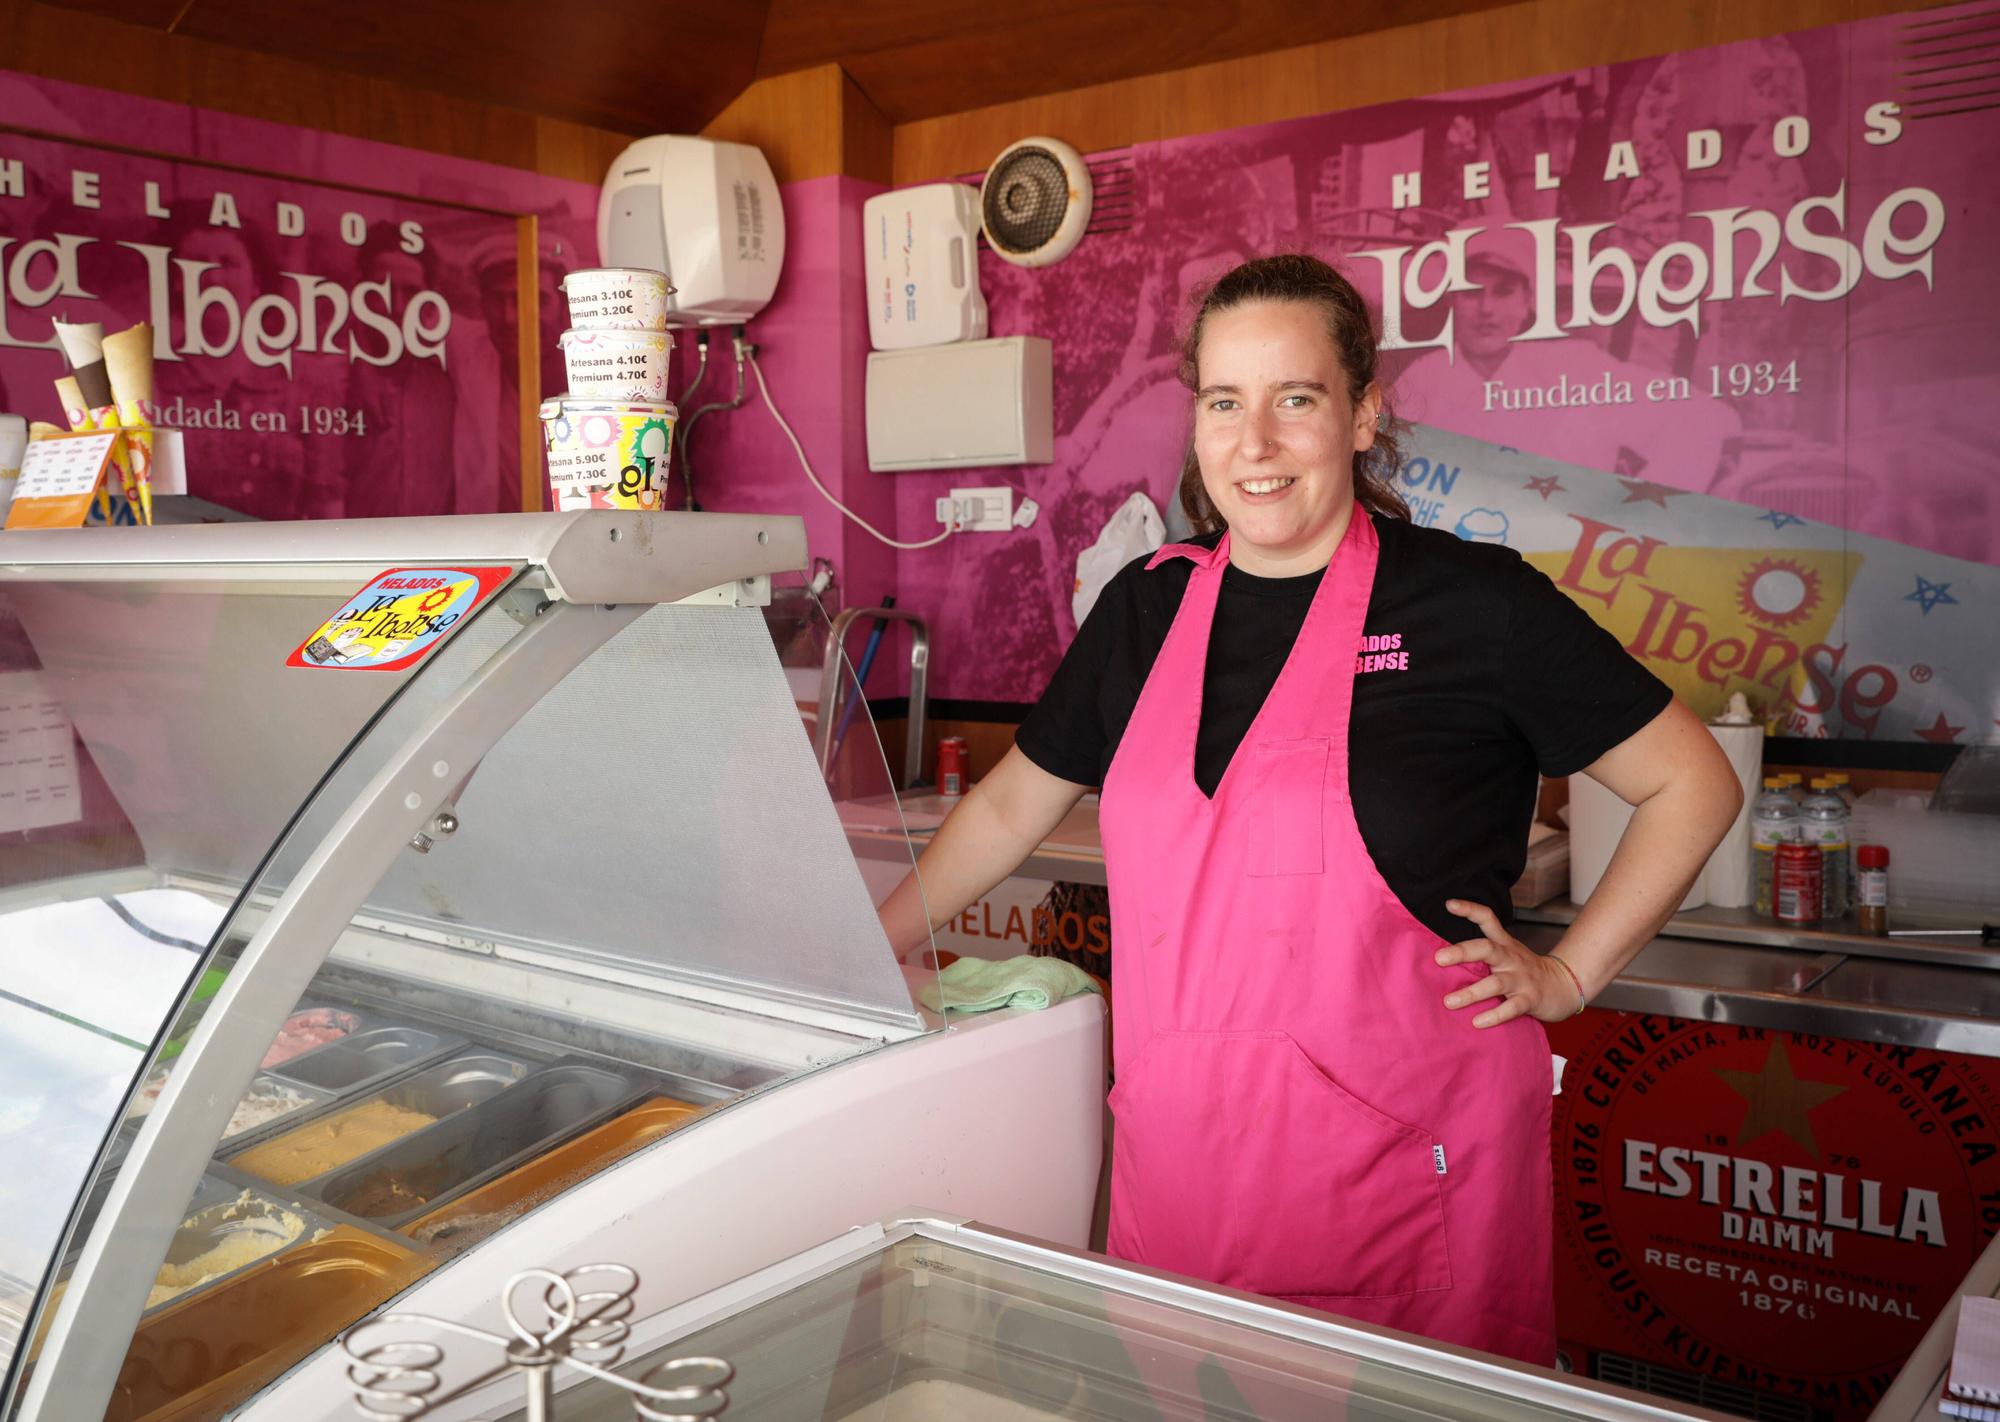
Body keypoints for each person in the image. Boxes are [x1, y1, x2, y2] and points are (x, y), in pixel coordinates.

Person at [876, 253, 1741, 1365]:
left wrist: (1569, 975)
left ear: (1362, 412)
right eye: (1224, 403)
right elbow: (1006, 807)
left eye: (1295, 399)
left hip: (1401, 1177)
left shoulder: (1472, 604)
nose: (1256, 443)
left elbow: (1691, 781)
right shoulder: (1146, 606)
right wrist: (867, 952)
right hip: (1183, 1166)